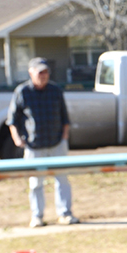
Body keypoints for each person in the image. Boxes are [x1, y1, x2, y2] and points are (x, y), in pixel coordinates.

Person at [7, 56, 77, 228]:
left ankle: (65, 214)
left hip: (56, 143)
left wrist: (64, 137)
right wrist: (17, 138)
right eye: (40, 72)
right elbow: (12, 120)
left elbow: (65, 117)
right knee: (35, 182)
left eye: (45, 72)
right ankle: (37, 216)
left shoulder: (55, 90)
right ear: (31, 73)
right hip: (34, 146)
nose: (43, 75)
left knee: (62, 180)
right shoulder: (22, 92)